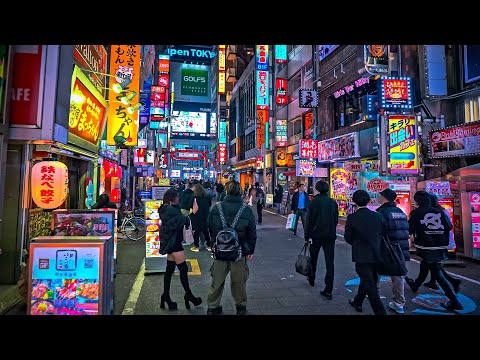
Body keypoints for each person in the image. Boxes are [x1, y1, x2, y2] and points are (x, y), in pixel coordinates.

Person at [405, 191, 462, 311]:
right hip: (441, 244)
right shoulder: (439, 211)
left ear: (417, 201)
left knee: (437, 273)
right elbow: (448, 226)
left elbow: (409, 230)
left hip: (427, 245)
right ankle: (416, 284)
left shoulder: (417, 212)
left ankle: (454, 301)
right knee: (426, 263)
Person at [206, 180, 257, 315]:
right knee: (238, 281)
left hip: (219, 251)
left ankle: (212, 307)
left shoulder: (217, 208)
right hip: (239, 252)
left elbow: (210, 227)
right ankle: (240, 308)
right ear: (240, 192)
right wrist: (250, 250)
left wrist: (213, 244)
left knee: (217, 280)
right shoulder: (245, 210)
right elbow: (252, 232)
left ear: (226, 191)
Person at [345, 190, 387, 315]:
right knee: (369, 279)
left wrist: (357, 243)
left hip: (361, 254)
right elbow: (383, 233)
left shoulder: (352, 218)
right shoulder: (378, 216)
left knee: (369, 284)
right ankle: (358, 302)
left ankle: (380, 312)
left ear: (354, 202)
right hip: (377, 253)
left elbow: (348, 237)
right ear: (369, 201)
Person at [159, 188, 202, 310]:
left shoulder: (167, 209)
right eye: (177, 197)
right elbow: (182, 221)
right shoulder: (171, 211)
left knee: (170, 270)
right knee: (183, 269)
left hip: (172, 242)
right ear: (172, 200)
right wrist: (193, 213)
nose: (179, 198)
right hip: (174, 243)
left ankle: (166, 296)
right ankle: (188, 295)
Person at [376, 188, 410, 314]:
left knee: (377, 270)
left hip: (386, 247)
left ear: (384, 198)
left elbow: (379, 231)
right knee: (398, 275)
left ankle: (375, 294)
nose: (378, 197)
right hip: (400, 248)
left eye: (379, 196)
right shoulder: (400, 212)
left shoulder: (382, 212)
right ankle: (399, 303)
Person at [304, 181, 338, 300]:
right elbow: (336, 220)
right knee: (330, 262)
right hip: (330, 236)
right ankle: (329, 289)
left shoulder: (314, 202)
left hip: (316, 235)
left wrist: (306, 236)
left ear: (317, 189)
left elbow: (309, 220)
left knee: (313, 258)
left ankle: (311, 278)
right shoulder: (333, 202)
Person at [423, 194, 461, 292]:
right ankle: (433, 281)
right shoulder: (441, 210)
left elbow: (448, 226)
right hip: (441, 241)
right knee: (431, 263)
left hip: (441, 242)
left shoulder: (437, 212)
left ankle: (452, 285)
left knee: (432, 263)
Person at [190, 184, 212, 252]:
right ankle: (209, 245)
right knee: (206, 231)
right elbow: (210, 205)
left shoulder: (194, 197)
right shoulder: (207, 197)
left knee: (196, 231)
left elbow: (190, 205)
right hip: (205, 215)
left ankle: (196, 246)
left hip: (196, 216)